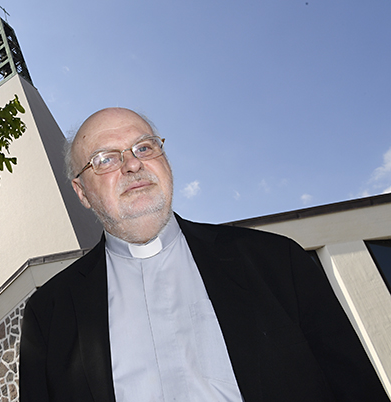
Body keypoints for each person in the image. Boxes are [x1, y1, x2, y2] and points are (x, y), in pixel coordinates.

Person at [19, 107, 389, 402]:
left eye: (144, 147)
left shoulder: (277, 262)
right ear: (81, 192)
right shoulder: (49, 314)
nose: (133, 164)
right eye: (105, 159)